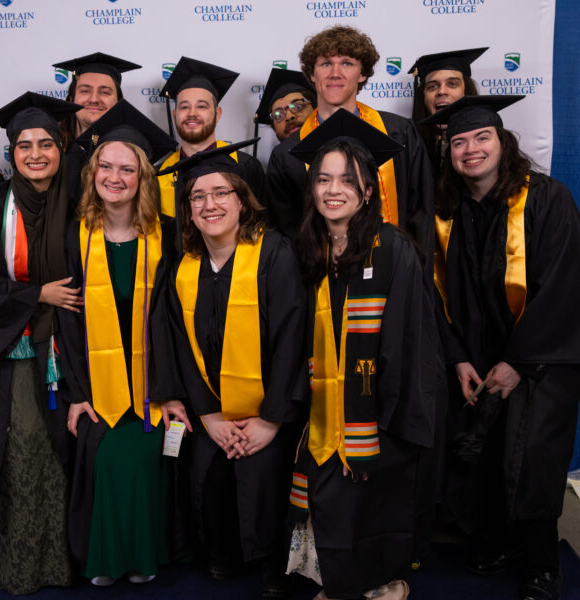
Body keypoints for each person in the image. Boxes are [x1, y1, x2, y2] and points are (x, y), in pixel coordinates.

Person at [424, 95, 580, 600]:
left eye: (481, 138)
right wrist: (458, 357)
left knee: (532, 457)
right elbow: (437, 295)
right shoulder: (446, 213)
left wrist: (519, 360)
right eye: (460, 141)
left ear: (502, 141)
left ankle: (541, 563)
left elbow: (564, 283)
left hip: (542, 358)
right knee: (485, 454)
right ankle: (497, 542)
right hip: (479, 357)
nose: (471, 150)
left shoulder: (547, 199)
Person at [289, 109, 437, 600]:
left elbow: (411, 341)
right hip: (320, 409)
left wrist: (387, 419)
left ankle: (382, 585)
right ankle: (337, 583)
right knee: (329, 500)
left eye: (347, 181)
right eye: (324, 179)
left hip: (378, 412)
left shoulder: (393, 248)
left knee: (373, 501)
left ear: (369, 190)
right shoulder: (308, 250)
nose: (334, 190)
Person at [159, 141, 307, 598]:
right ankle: (222, 552)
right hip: (214, 413)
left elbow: (293, 339)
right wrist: (208, 415)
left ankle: (272, 561)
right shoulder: (182, 266)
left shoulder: (275, 253)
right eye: (198, 197)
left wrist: (270, 419)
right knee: (210, 464)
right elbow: (176, 345)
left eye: (221, 193)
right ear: (187, 209)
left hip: (272, 410)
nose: (209, 204)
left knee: (266, 468)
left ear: (242, 198)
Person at [0, 92, 82, 594]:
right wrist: (36, 295)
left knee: (68, 453)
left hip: (74, 345)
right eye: (24, 145)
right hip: (18, 351)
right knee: (25, 447)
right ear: (10, 154)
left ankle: (63, 562)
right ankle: (21, 565)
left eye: (46, 144)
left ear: (60, 147)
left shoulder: (79, 200)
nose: (36, 154)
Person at [56, 100, 182, 587]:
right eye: (105, 166)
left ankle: (141, 557)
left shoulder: (167, 238)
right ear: (91, 174)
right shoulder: (75, 237)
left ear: (143, 177)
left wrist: (171, 393)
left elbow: (177, 323)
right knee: (105, 456)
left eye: (126, 169)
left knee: (141, 454)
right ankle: (109, 559)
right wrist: (76, 394)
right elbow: (66, 323)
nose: (114, 177)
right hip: (97, 388)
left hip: (153, 386)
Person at [267, 25, 433, 251]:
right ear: (312, 75)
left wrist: (413, 275)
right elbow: (288, 234)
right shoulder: (286, 155)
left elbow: (421, 214)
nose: (335, 73)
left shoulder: (399, 133)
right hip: (320, 278)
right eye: (326, 63)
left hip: (394, 272)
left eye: (347, 63)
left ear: (362, 73)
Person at [157, 56, 268, 216]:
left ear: (217, 114)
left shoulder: (246, 166)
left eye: (201, 106)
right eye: (184, 107)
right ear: (175, 115)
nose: (192, 113)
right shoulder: (161, 174)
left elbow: (262, 227)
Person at [51, 52, 141, 209]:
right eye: (85, 90)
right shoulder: (51, 151)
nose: (94, 99)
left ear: (118, 102)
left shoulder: (132, 154)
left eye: (104, 92)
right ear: (71, 99)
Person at [408, 47, 486, 176]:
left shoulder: (488, 145)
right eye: (432, 86)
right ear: (423, 96)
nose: (442, 91)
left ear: (467, 91)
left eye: (453, 84)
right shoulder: (410, 149)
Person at [254, 67, 316, 144]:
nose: (289, 117)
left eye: (297, 107)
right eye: (278, 115)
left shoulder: (335, 148)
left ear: (316, 110)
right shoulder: (277, 155)